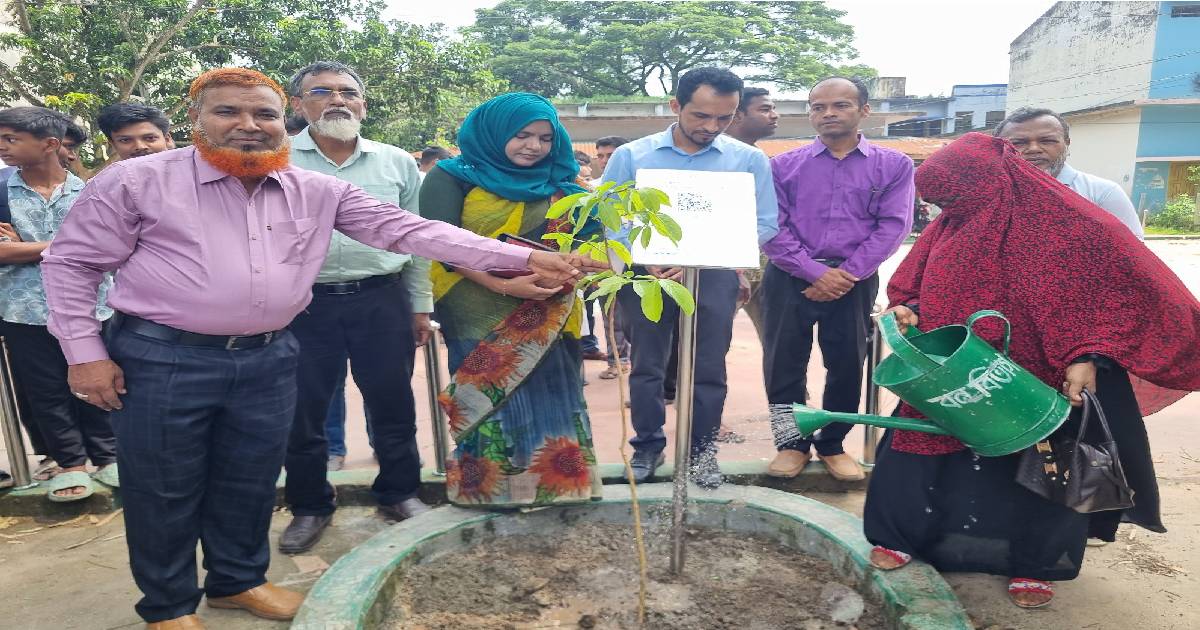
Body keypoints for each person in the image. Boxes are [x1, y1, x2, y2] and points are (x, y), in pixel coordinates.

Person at [40, 68, 602, 629]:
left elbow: (412, 231)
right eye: (228, 112)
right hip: (163, 356)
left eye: (263, 114)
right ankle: (168, 607)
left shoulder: (315, 190)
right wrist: (84, 353)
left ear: (281, 121)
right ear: (196, 119)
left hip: (268, 355)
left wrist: (527, 258)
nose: (248, 125)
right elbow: (72, 265)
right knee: (164, 485)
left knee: (251, 477)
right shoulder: (137, 181)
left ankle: (238, 581)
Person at [864, 132, 1200, 609]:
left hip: (1042, 370)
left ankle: (1035, 562)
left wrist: (1087, 354)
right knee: (922, 452)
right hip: (957, 369)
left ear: (989, 183)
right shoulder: (952, 222)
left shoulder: (1078, 224)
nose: (948, 211)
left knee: (1041, 466)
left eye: (955, 199)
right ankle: (902, 536)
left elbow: (1115, 294)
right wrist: (910, 309)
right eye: (942, 204)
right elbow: (917, 283)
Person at [279, 61, 436, 553]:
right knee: (301, 411)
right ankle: (309, 505)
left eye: (348, 92)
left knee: (392, 401)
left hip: (382, 299)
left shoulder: (396, 162)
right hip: (302, 305)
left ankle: (399, 493)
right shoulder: (276, 160)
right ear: (298, 104)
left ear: (363, 104)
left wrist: (419, 305)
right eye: (321, 92)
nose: (337, 100)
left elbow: (417, 239)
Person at [419, 92, 604, 507]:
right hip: (475, 308)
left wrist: (576, 265)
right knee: (489, 401)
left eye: (544, 138)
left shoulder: (565, 183)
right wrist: (503, 285)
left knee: (554, 394)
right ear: (495, 131)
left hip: (550, 309)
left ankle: (558, 492)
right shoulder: (452, 176)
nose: (534, 146)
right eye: (522, 135)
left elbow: (593, 243)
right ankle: (489, 495)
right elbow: (440, 242)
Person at [604, 67, 779, 488]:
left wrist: (704, 253)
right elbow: (610, 216)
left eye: (724, 118)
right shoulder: (632, 156)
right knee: (647, 364)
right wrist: (642, 256)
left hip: (714, 274)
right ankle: (647, 446)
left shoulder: (747, 160)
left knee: (709, 367)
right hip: (647, 276)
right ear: (675, 106)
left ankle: (702, 454)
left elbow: (765, 222)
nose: (711, 127)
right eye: (701, 115)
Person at [761, 77, 914, 482]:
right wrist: (815, 272)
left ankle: (832, 443)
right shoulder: (783, 166)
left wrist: (845, 275)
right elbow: (771, 226)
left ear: (864, 110)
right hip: (789, 276)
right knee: (782, 362)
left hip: (854, 280)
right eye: (818, 107)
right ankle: (790, 443)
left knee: (847, 363)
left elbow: (893, 226)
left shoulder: (893, 165)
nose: (828, 113)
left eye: (840, 105)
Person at [0, 107, 117, 503]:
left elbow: (106, 249)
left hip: (92, 306)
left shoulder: (93, 192)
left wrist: (26, 247)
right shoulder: (1, 192)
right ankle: (70, 463)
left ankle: (108, 455)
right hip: (24, 311)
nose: (2, 147)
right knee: (45, 389)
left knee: (100, 381)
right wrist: (65, 247)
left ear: (50, 144)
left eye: (11, 139)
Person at [995, 107, 1143, 239]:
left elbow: (1135, 252)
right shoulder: (990, 195)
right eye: (1018, 143)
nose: (1034, 149)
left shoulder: (1103, 193)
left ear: (1067, 143)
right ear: (998, 148)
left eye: (1047, 140)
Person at [724, 87, 778, 344]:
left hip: (767, 266)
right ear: (737, 115)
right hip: (725, 267)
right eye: (765, 109)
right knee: (709, 341)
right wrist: (733, 267)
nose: (774, 115)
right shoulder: (714, 158)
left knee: (778, 343)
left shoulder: (760, 158)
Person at [96, 103, 176, 161]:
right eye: (125, 140)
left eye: (150, 138)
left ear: (167, 139)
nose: (140, 147)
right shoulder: (110, 179)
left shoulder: (183, 172)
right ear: (113, 144)